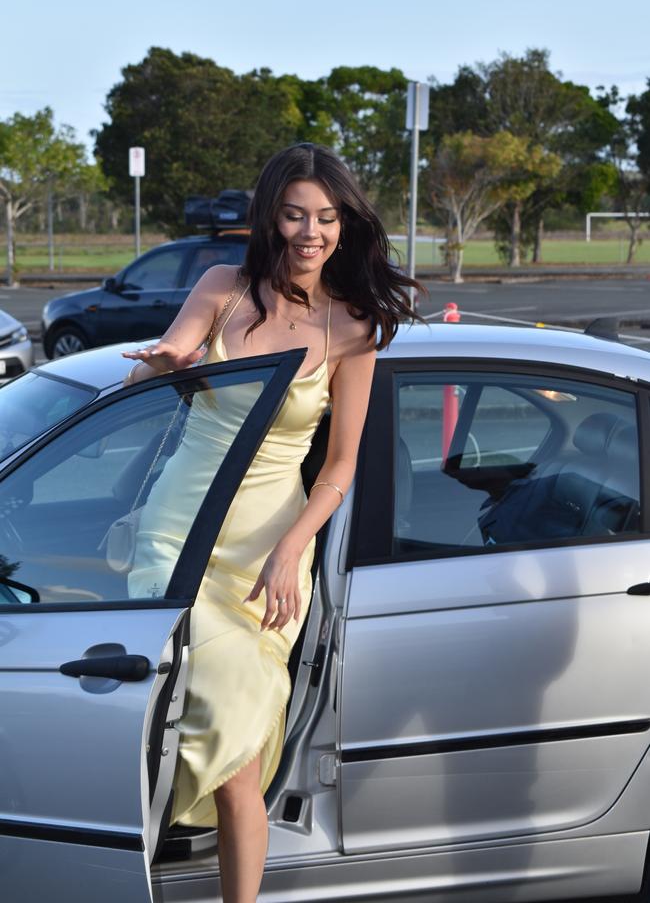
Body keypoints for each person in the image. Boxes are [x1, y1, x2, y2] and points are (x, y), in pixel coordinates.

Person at [121, 142, 419, 903]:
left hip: (264, 558)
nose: (310, 232)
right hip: (175, 532)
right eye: (294, 215)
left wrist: (294, 551)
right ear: (269, 219)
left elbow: (340, 467)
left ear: (344, 226)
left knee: (236, 750)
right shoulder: (221, 286)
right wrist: (161, 365)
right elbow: (167, 359)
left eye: (326, 217)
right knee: (151, 727)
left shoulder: (353, 327)